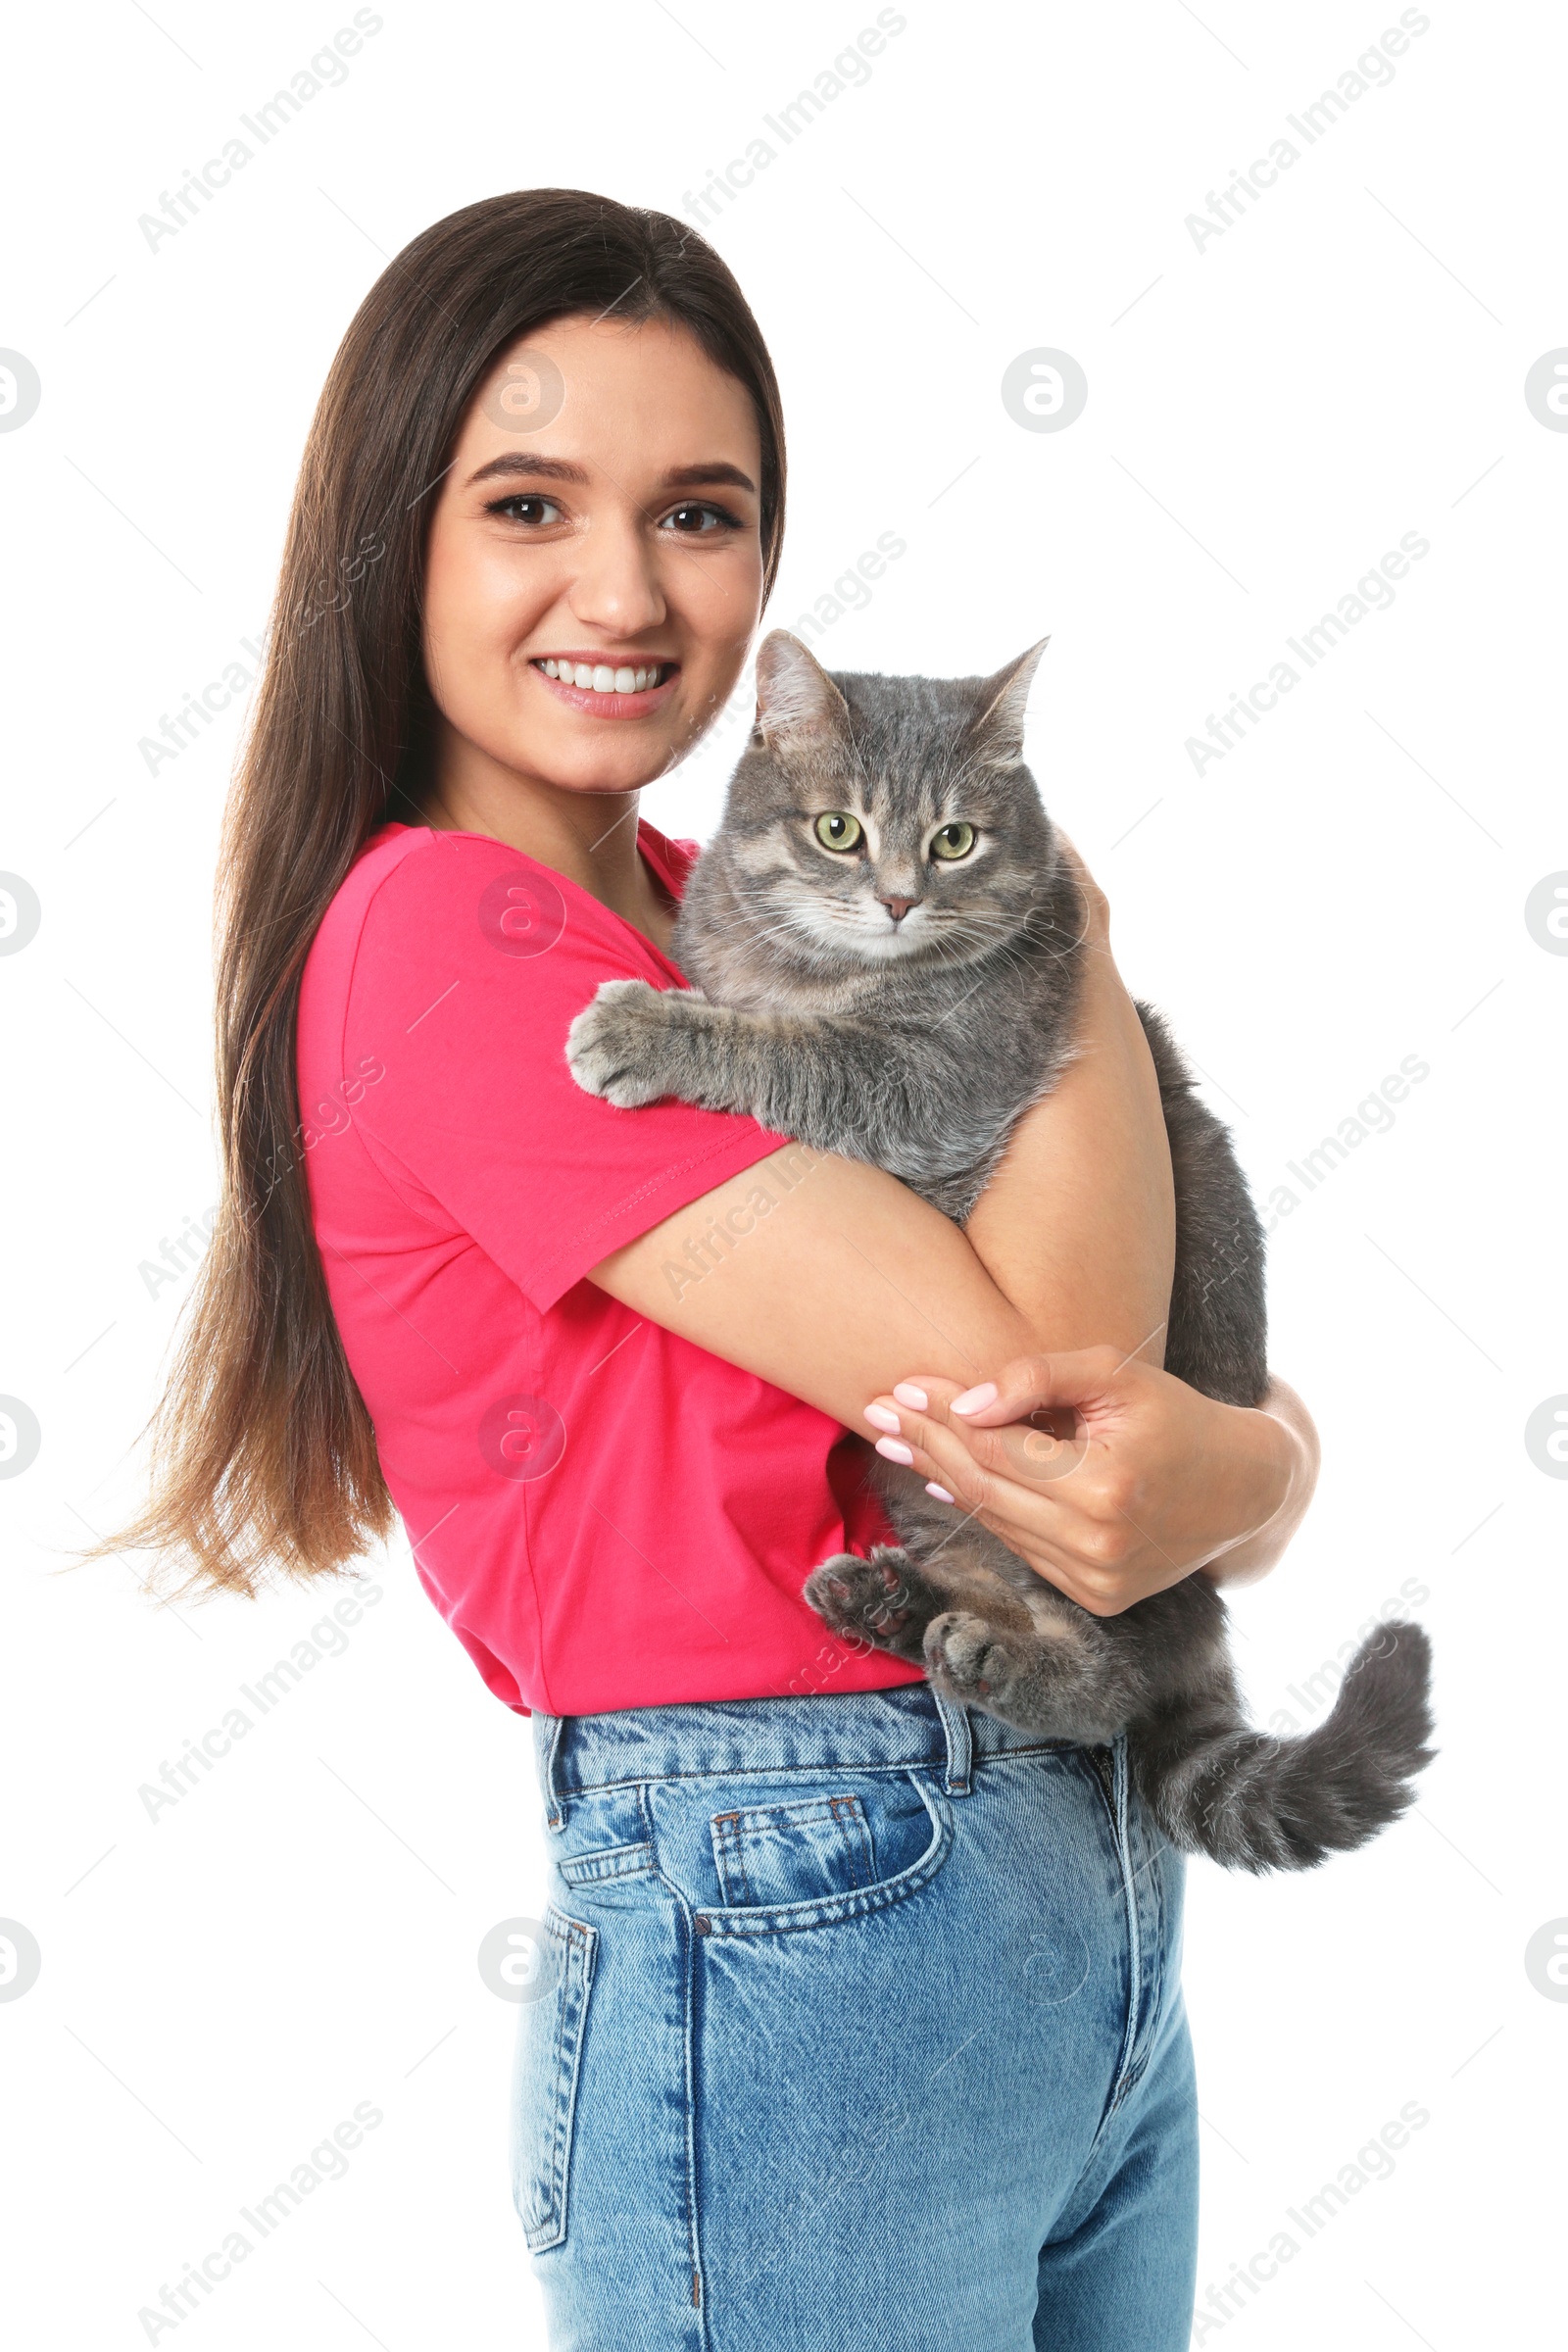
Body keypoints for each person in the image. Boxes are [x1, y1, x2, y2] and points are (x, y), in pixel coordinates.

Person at [119, 189, 1318, 2350]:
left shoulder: (711, 908)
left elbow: (1117, 1419)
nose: (623, 588)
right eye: (524, 506)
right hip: (801, 1891)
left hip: (1061, 1869)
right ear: (391, 538)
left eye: (698, 510)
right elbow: (1041, 1376)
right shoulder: (445, 939)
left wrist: (1238, 1466)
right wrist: (1079, 944)